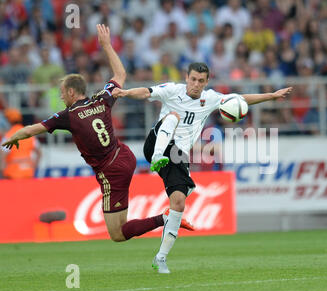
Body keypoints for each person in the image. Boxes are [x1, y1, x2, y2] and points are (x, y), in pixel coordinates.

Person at [1, 24, 193, 243]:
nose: (61, 97)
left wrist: (14, 137)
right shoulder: (102, 98)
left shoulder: (68, 115)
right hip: (125, 155)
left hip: (111, 170)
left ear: (72, 92)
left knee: (117, 234)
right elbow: (120, 73)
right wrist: (107, 45)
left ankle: (166, 218)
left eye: (63, 93)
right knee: (121, 226)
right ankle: (165, 218)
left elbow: (31, 129)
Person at [112, 62, 292, 273]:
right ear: (186, 77)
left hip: (177, 155)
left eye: (200, 81)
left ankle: (161, 258)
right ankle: (157, 157)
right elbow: (145, 92)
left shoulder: (211, 98)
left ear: (206, 82)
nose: (195, 84)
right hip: (155, 143)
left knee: (178, 204)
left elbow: (240, 100)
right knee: (173, 117)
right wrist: (125, 92)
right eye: (193, 79)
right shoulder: (172, 90)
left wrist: (271, 96)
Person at [0, 108, 41, 179]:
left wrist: (2, 173)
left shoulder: (8, 136)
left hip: (11, 175)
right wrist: (34, 167)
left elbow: (2, 157)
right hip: (28, 172)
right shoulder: (29, 134)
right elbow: (39, 153)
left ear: (9, 121)